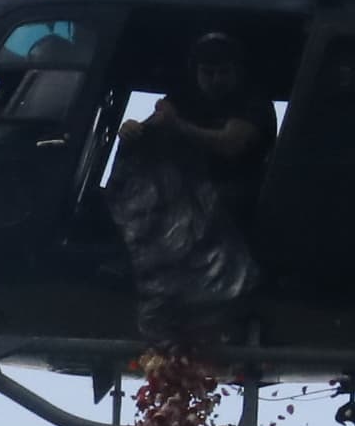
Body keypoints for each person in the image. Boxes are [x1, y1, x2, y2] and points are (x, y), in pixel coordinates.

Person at [105, 30, 271, 350]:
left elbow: (231, 144)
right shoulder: (184, 97)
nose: (216, 80)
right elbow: (152, 126)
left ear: (237, 72)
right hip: (189, 194)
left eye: (223, 72)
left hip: (239, 197)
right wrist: (133, 130)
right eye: (208, 73)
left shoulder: (252, 102)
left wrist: (177, 126)